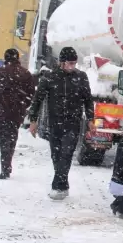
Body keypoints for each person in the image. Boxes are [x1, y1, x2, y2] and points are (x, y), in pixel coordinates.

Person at [27, 47, 94, 200]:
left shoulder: (81, 77)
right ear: (62, 63)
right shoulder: (49, 78)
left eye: (74, 63)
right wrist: (33, 120)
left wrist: (90, 119)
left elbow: (88, 100)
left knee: (66, 154)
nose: (73, 66)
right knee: (56, 156)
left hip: (73, 123)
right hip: (55, 123)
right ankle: (63, 184)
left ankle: (57, 186)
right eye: (70, 63)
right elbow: (37, 100)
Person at [0, 48, 35, 179]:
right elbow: (30, 94)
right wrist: (23, 105)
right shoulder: (25, 74)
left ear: (5, 58)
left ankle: (5, 165)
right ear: (17, 58)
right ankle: (8, 161)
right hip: (17, 113)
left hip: (1, 112)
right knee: (12, 136)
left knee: (3, 138)